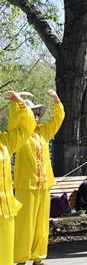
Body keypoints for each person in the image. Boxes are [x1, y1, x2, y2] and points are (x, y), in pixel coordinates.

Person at [11, 90, 65, 265]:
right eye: (30, 113)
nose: (34, 117)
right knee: (25, 225)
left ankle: (38, 257)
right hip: (26, 186)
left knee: (41, 225)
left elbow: (58, 120)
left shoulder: (42, 132)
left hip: (44, 185)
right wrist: (16, 101)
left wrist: (57, 102)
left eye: (35, 113)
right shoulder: (18, 134)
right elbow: (13, 120)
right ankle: (21, 258)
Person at [0, 90, 36, 265]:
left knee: (5, 258)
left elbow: (25, 128)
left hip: (5, 212)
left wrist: (20, 104)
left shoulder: (5, 142)